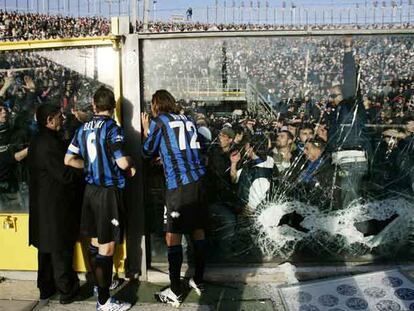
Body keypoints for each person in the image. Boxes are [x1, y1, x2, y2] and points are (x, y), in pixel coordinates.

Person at [65, 86, 135, 311]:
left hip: (90, 191)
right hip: (107, 193)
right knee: (107, 248)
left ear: (94, 106)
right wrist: (131, 164)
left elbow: (68, 159)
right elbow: (122, 162)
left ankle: (98, 285)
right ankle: (104, 302)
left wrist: (89, 166)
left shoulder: (83, 128)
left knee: (95, 243)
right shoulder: (113, 128)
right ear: (113, 107)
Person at [141, 90, 207, 307]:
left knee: (173, 235)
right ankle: (198, 280)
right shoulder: (187, 119)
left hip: (178, 185)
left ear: (156, 105)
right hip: (197, 181)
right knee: (198, 230)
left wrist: (145, 130)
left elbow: (146, 151)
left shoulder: (159, 122)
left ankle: (175, 291)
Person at [28, 103, 82, 305]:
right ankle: (67, 291)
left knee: (46, 252)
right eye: (60, 116)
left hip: (43, 207)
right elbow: (64, 174)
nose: (63, 118)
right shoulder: (48, 144)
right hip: (54, 208)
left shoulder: (39, 140)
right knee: (60, 252)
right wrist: (83, 169)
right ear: (50, 120)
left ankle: (46, 288)